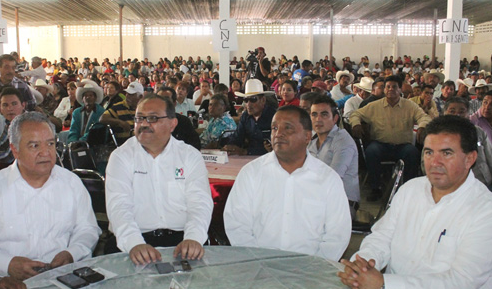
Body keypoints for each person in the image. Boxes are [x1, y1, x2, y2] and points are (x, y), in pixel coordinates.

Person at [338, 115, 492, 289]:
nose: (434, 163)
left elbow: (460, 285)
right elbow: (382, 237)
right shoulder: (412, 189)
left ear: (470, 159)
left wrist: (384, 285)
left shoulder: (486, 211)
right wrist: (364, 265)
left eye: (446, 153)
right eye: (428, 152)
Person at [0, 112, 100, 281]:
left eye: (50, 144)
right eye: (34, 146)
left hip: (63, 279)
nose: (45, 152)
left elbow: (88, 229)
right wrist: (7, 264)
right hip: (7, 284)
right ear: (15, 150)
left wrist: (72, 253)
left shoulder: (71, 183)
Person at [224, 106, 351, 261]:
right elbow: (237, 223)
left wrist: (315, 267)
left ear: (307, 136)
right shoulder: (251, 173)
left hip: (311, 272)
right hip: (259, 267)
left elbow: (337, 234)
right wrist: (256, 261)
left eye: (288, 128)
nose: (278, 134)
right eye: (274, 128)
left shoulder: (327, 179)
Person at [105, 95, 213, 264]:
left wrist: (194, 238)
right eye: (139, 118)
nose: (144, 124)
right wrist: (134, 243)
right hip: (133, 241)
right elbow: (118, 206)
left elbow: (200, 203)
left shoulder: (189, 155)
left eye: (153, 118)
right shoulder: (121, 157)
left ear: (172, 124)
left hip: (182, 240)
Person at [350, 75, 432, 201]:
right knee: (371, 151)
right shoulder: (374, 105)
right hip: (380, 144)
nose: (390, 89)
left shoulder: (409, 105)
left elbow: (423, 117)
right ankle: (375, 188)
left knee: (413, 152)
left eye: (394, 87)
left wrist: (422, 126)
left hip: (403, 146)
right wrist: (356, 124)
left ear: (400, 89)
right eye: (387, 87)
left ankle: (408, 189)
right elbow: (355, 114)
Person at [440, 97, 492, 199]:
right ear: (444, 113)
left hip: (482, 185)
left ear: (468, 114)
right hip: (451, 188)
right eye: (452, 111)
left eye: (461, 111)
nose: (457, 115)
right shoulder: (436, 135)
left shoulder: (478, 132)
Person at [308, 95, 359, 218]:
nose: (318, 119)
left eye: (324, 114)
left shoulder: (342, 141)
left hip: (342, 203)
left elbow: (333, 177)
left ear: (335, 118)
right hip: (318, 197)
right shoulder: (312, 141)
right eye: (314, 114)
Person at [223, 79, 276, 155]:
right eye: (246, 100)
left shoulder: (274, 117)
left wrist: (245, 152)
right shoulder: (245, 116)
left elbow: (276, 147)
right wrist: (230, 147)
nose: (248, 104)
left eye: (253, 99)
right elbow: (237, 137)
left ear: (263, 100)